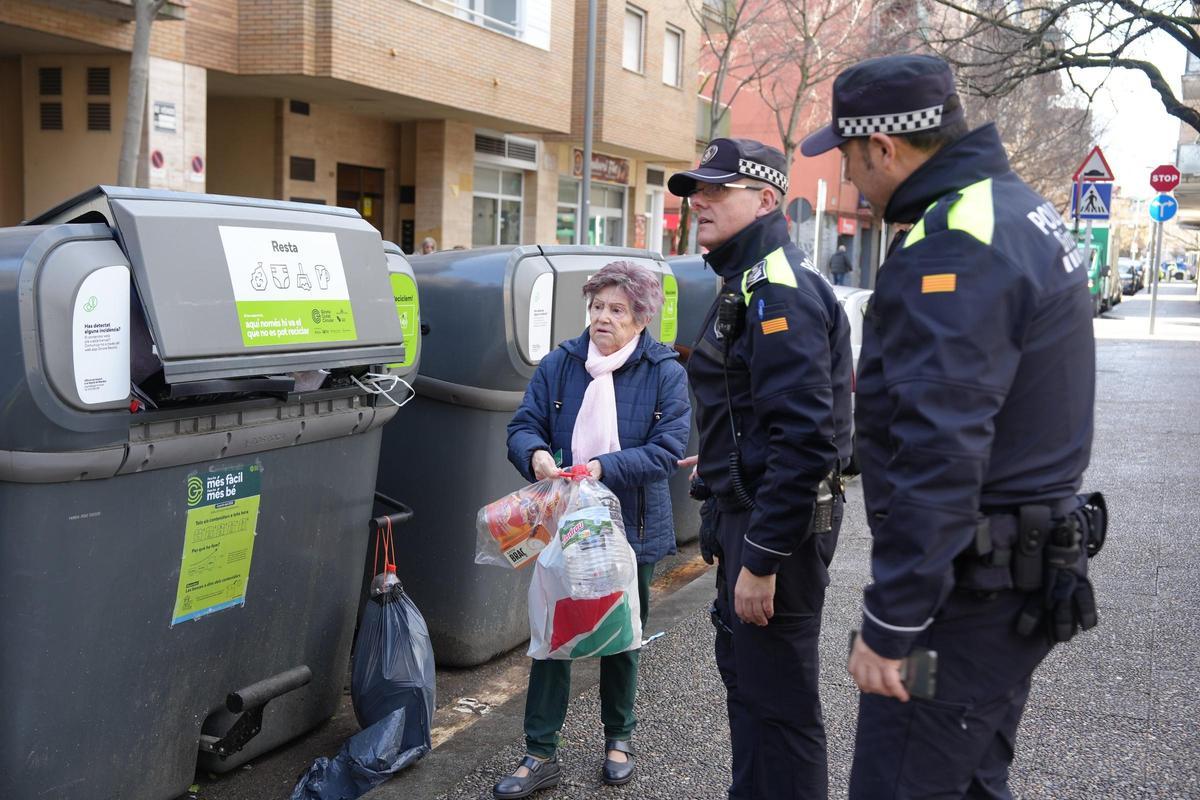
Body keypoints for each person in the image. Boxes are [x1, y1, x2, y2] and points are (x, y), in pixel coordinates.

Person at [801, 54, 1103, 798]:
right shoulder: (1012, 208)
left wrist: (891, 623)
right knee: (971, 782)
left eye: (845, 155)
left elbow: (940, 448)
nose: (845, 177)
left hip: (965, 599)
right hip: (1015, 575)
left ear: (883, 148)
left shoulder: (955, 241)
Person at [668, 138, 854, 799]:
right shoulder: (746, 282)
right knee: (750, 693)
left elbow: (807, 443)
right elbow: (755, 411)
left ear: (767, 198)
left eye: (718, 191)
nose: (700, 204)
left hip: (779, 531)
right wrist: (719, 462)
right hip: (748, 514)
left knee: (779, 707)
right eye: (697, 192)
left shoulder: (780, 293)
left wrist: (764, 560)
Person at [497, 261, 691, 798]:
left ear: (641, 317)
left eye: (617, 310)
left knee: (622, 636)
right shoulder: (562, 362)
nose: (603, 318)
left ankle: (619, 740)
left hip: (631, 526)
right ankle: (539, 753)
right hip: (563, 522)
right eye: (598, 307)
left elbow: (667, 450)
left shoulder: (663, 371)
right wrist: (534, 455)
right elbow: (523, 425)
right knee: (554, 635)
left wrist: (605, 467)